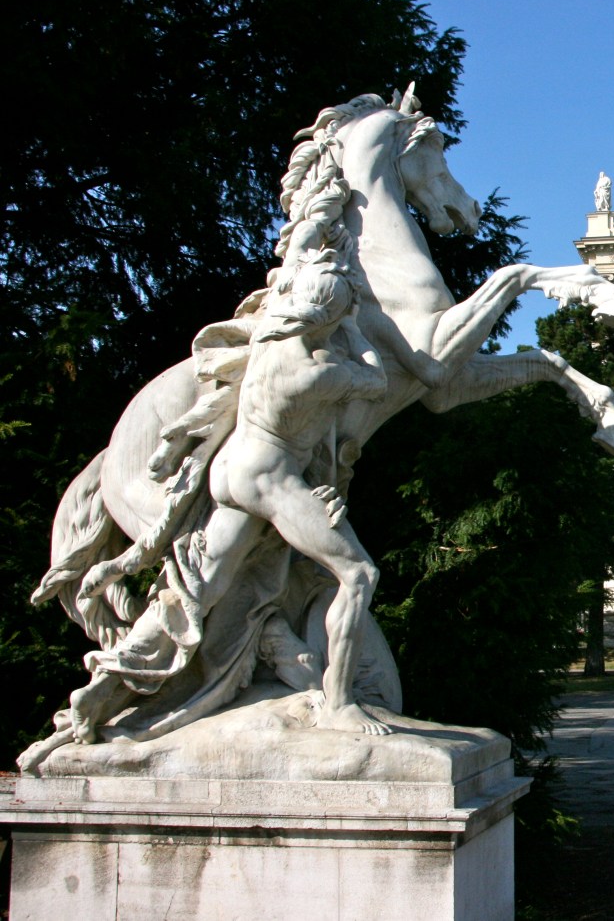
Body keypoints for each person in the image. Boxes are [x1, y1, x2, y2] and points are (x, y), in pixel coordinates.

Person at [72, 256, 391, 740]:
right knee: (359, 574)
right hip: (270, 478)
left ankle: (110, 684)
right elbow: (378, 379)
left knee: (202, 587)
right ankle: (342, 704)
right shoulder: (318, 371)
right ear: (328, 315)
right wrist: (352, 323)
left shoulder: (266, 336)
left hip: (231, 470)